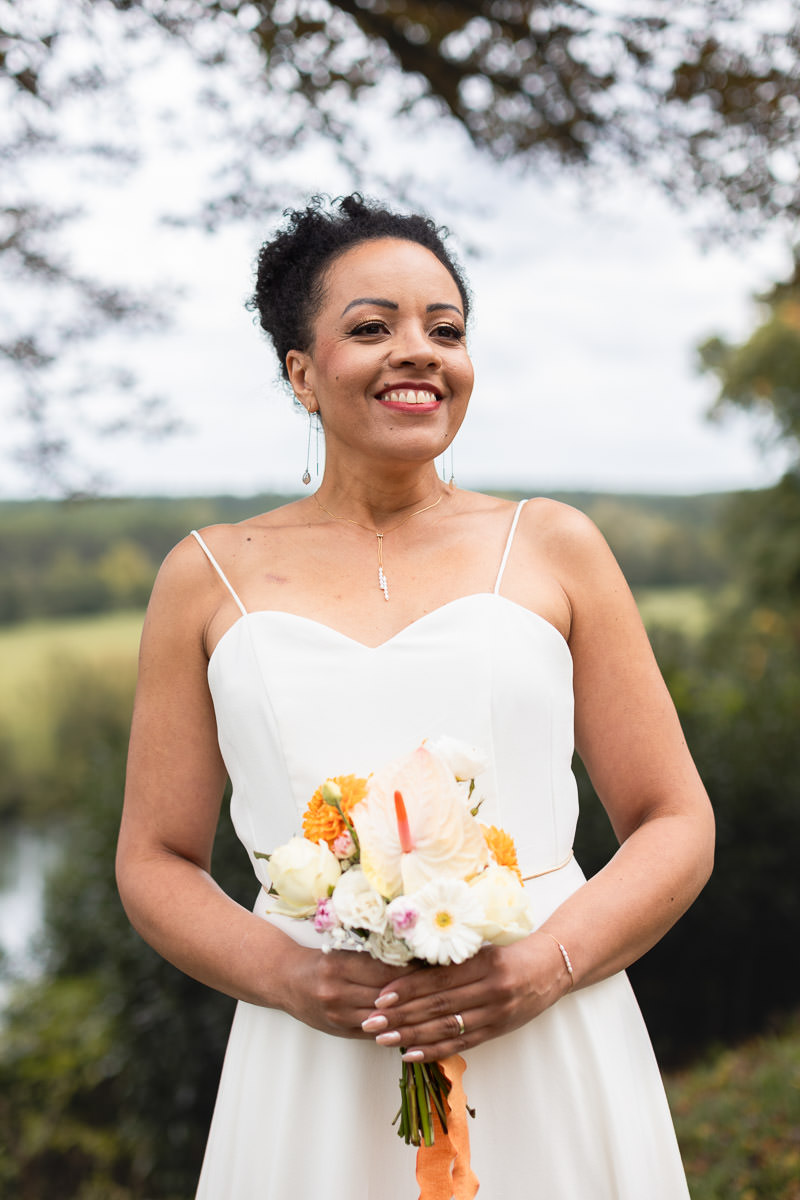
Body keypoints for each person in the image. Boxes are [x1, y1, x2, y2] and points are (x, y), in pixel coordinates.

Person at [117, 193, 714, 1199]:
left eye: (445, 329)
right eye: (370, 327)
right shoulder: (206, 576)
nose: (419, 352)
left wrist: (546, 965)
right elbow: (153, 860)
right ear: (299, 373)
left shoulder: (554, 545)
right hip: (314, 1058)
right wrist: (290, 979)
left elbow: (673, 819)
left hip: (546, 1033)